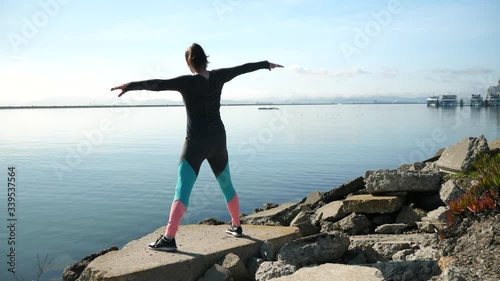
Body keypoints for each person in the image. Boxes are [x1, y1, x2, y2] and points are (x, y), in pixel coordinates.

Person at [111, 43, 283, 251]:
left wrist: (130, 85)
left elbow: (157, 84)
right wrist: (266, 64)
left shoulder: (187, 82)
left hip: (195, 143)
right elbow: (243, 68)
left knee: (182, 189)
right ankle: (236, 226)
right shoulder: (219, 76)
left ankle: (169, 239)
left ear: (188, 62)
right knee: (226, 183)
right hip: (219, 139)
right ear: (205, 59)